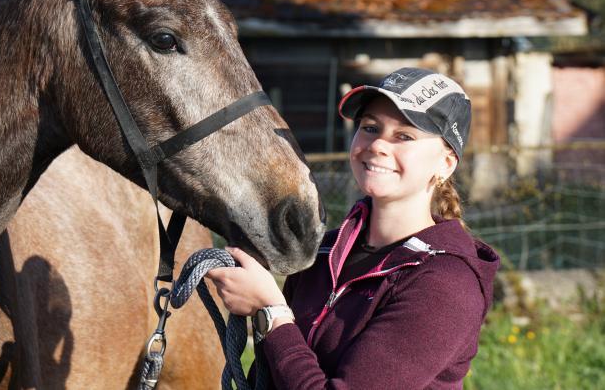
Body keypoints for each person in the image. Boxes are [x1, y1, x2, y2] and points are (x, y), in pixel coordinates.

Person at [206, 67, 500, 390]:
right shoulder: (323, 253)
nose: (378, 145)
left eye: (404, 136)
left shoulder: (445, 285)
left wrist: (272, 312)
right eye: (370, 128)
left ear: (446, 163)